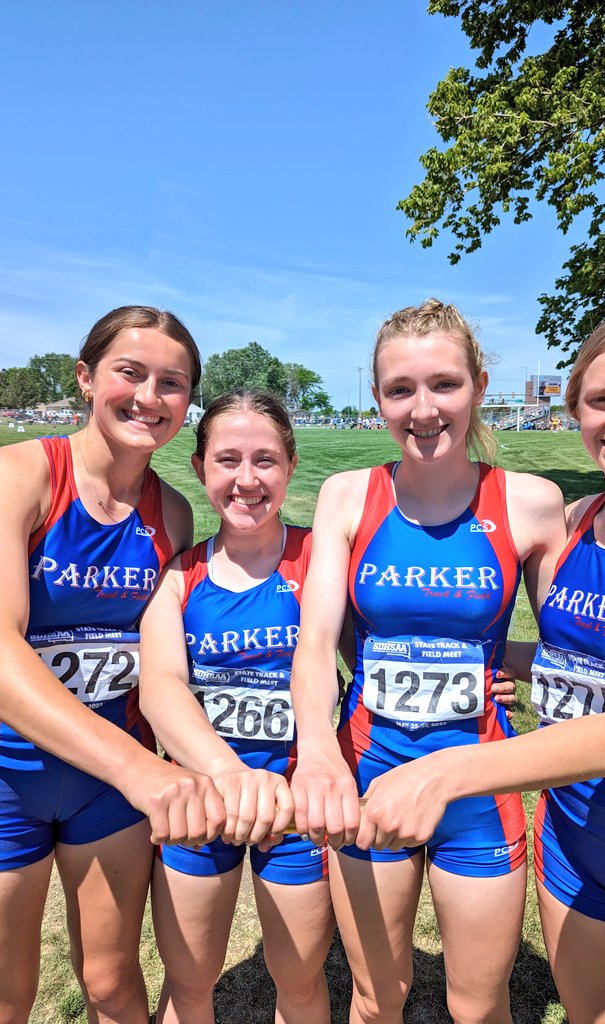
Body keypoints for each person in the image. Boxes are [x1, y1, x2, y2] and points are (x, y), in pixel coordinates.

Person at [353, 303, 605, 1022]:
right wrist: (457, 654)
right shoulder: (577, 522)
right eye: (602, 400)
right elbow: (571, 662)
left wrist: (440, 774)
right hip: (573, 840)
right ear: (575, 405)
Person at [289, 299, 565, 1024]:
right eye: (399, 389)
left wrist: (516, 660)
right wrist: (316, 750)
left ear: (476, 384)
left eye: (444, 384)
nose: (423, 409)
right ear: (378, 397)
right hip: (367, 775)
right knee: (379, 1000)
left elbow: (580, 651)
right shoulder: (350, 496)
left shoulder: (531, 503)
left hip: (478, 786)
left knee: (479, 1007)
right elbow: (317, 642)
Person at [0, 306, 232, 1024]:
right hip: (12, 775)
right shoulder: (23, 475)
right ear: (85, 377)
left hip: (108, 789)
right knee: (8, 993)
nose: (148, 397)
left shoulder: (173, 514)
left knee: (110, 983)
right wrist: (141, 770)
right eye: (129, 373)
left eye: (172, 383)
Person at [138, 390, 332, 1024]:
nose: (246, 480)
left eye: (265, 460)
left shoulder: (322, 563)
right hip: (203, 798)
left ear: (291, 465)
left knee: (299, 984)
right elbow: (161, 686)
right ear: (200, 469)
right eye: (227, 460)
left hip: (298, 806)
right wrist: (230, 775)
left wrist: (496, 669)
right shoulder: (179, 577)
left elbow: (393, 646)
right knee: (190, 983)